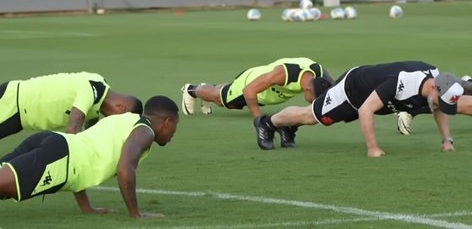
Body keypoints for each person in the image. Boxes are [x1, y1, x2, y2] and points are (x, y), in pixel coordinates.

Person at [0, 95, 179, 219]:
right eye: (175, 127)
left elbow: (84, 155)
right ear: (167, 122)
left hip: (55, 143)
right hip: (59, 157)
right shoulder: (145, 132)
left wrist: (87, 208)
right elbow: (125, 169)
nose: (173, 134)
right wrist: (136, 214)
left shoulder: (125, 119)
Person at [253, 60, 471, 156]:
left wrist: (447, 141)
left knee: (311, 117)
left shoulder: (437, 83)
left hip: (372, 93)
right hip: (352, 90)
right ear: (433, 87)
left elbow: (439, 108)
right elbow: (365, 110)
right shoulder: (401, 82)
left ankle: (289, 128)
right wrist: (373, 148)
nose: (439, 103)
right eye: (439, 98)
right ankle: (267, 123)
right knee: (310, 116)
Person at [181, 57, 332, 147]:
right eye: (314, 100)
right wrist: (259, 120)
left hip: (266, 88)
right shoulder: (283, 75)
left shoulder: (319, 73)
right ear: (308, 91)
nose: (314, 103)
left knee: (224, 91)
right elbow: (249, 91)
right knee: (221, 99)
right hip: (250, 84)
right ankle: (192, 90)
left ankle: (207, 89)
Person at [0, 71, 143, 139]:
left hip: (19, 114)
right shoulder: (92, 89)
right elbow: (72, 129)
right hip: (12, 103)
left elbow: (89, 128)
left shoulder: (99, 89)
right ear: (121, 108)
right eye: (119, 120)